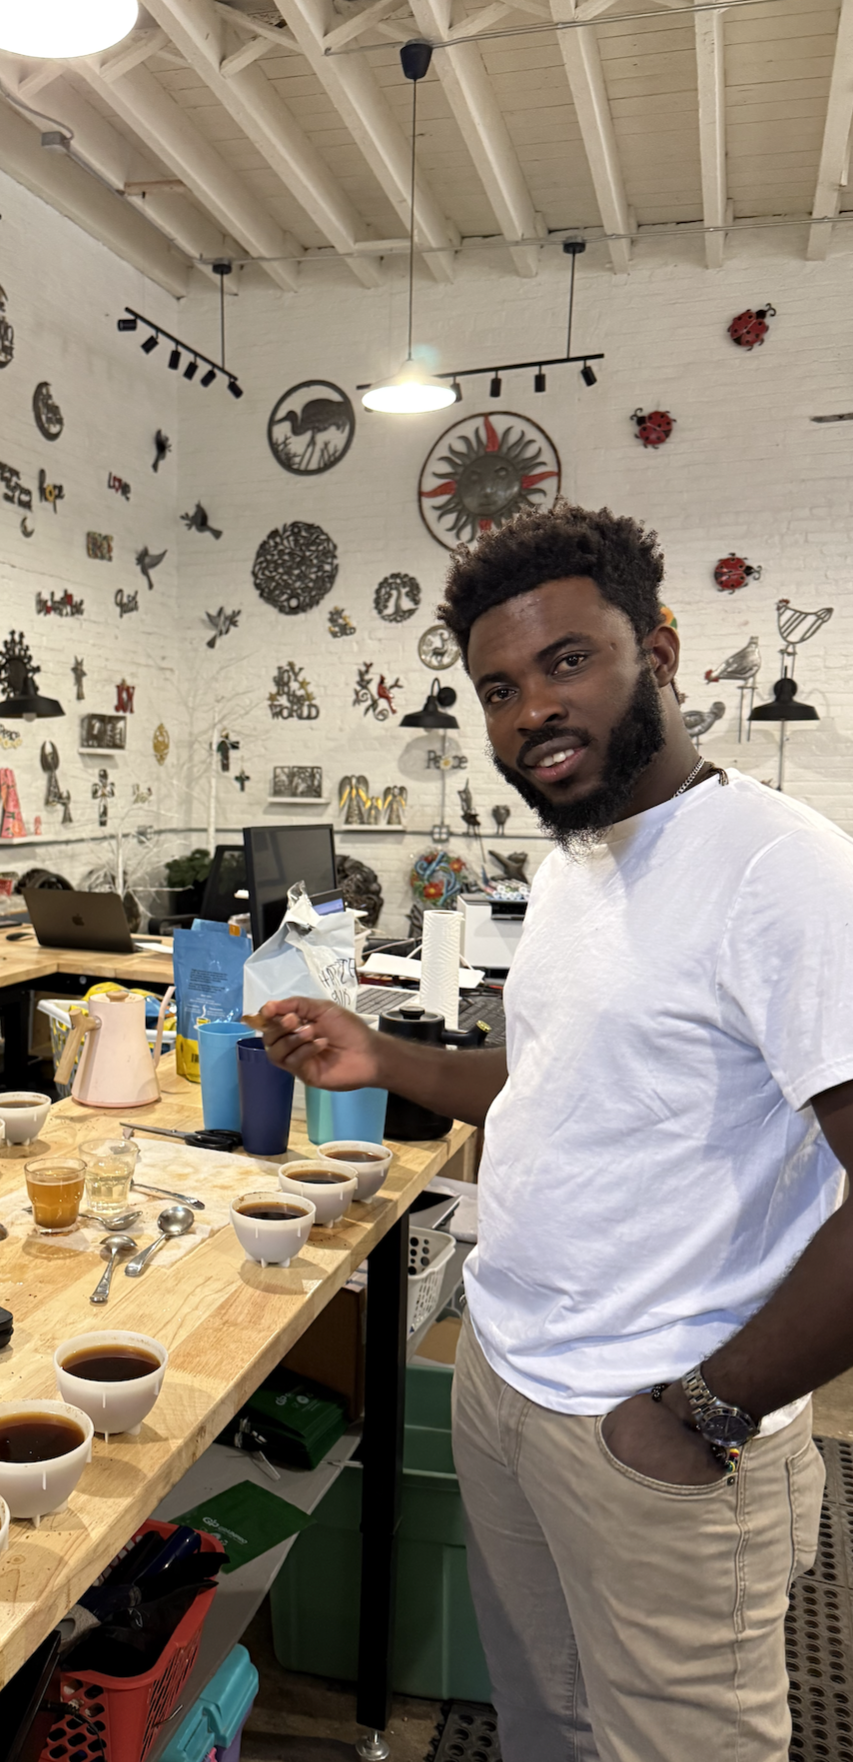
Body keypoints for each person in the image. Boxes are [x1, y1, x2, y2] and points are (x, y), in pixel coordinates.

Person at [259, 503, 853, 1762]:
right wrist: (385, 1055)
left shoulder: (780, 869)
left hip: (658, 1427)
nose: (529, 710)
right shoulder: (586, 860)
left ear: (661, 647)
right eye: (496, 687)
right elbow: (559, 1076)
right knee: (545, 1723)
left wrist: (701, 1407)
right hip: (509, 1378)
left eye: (566, 661)